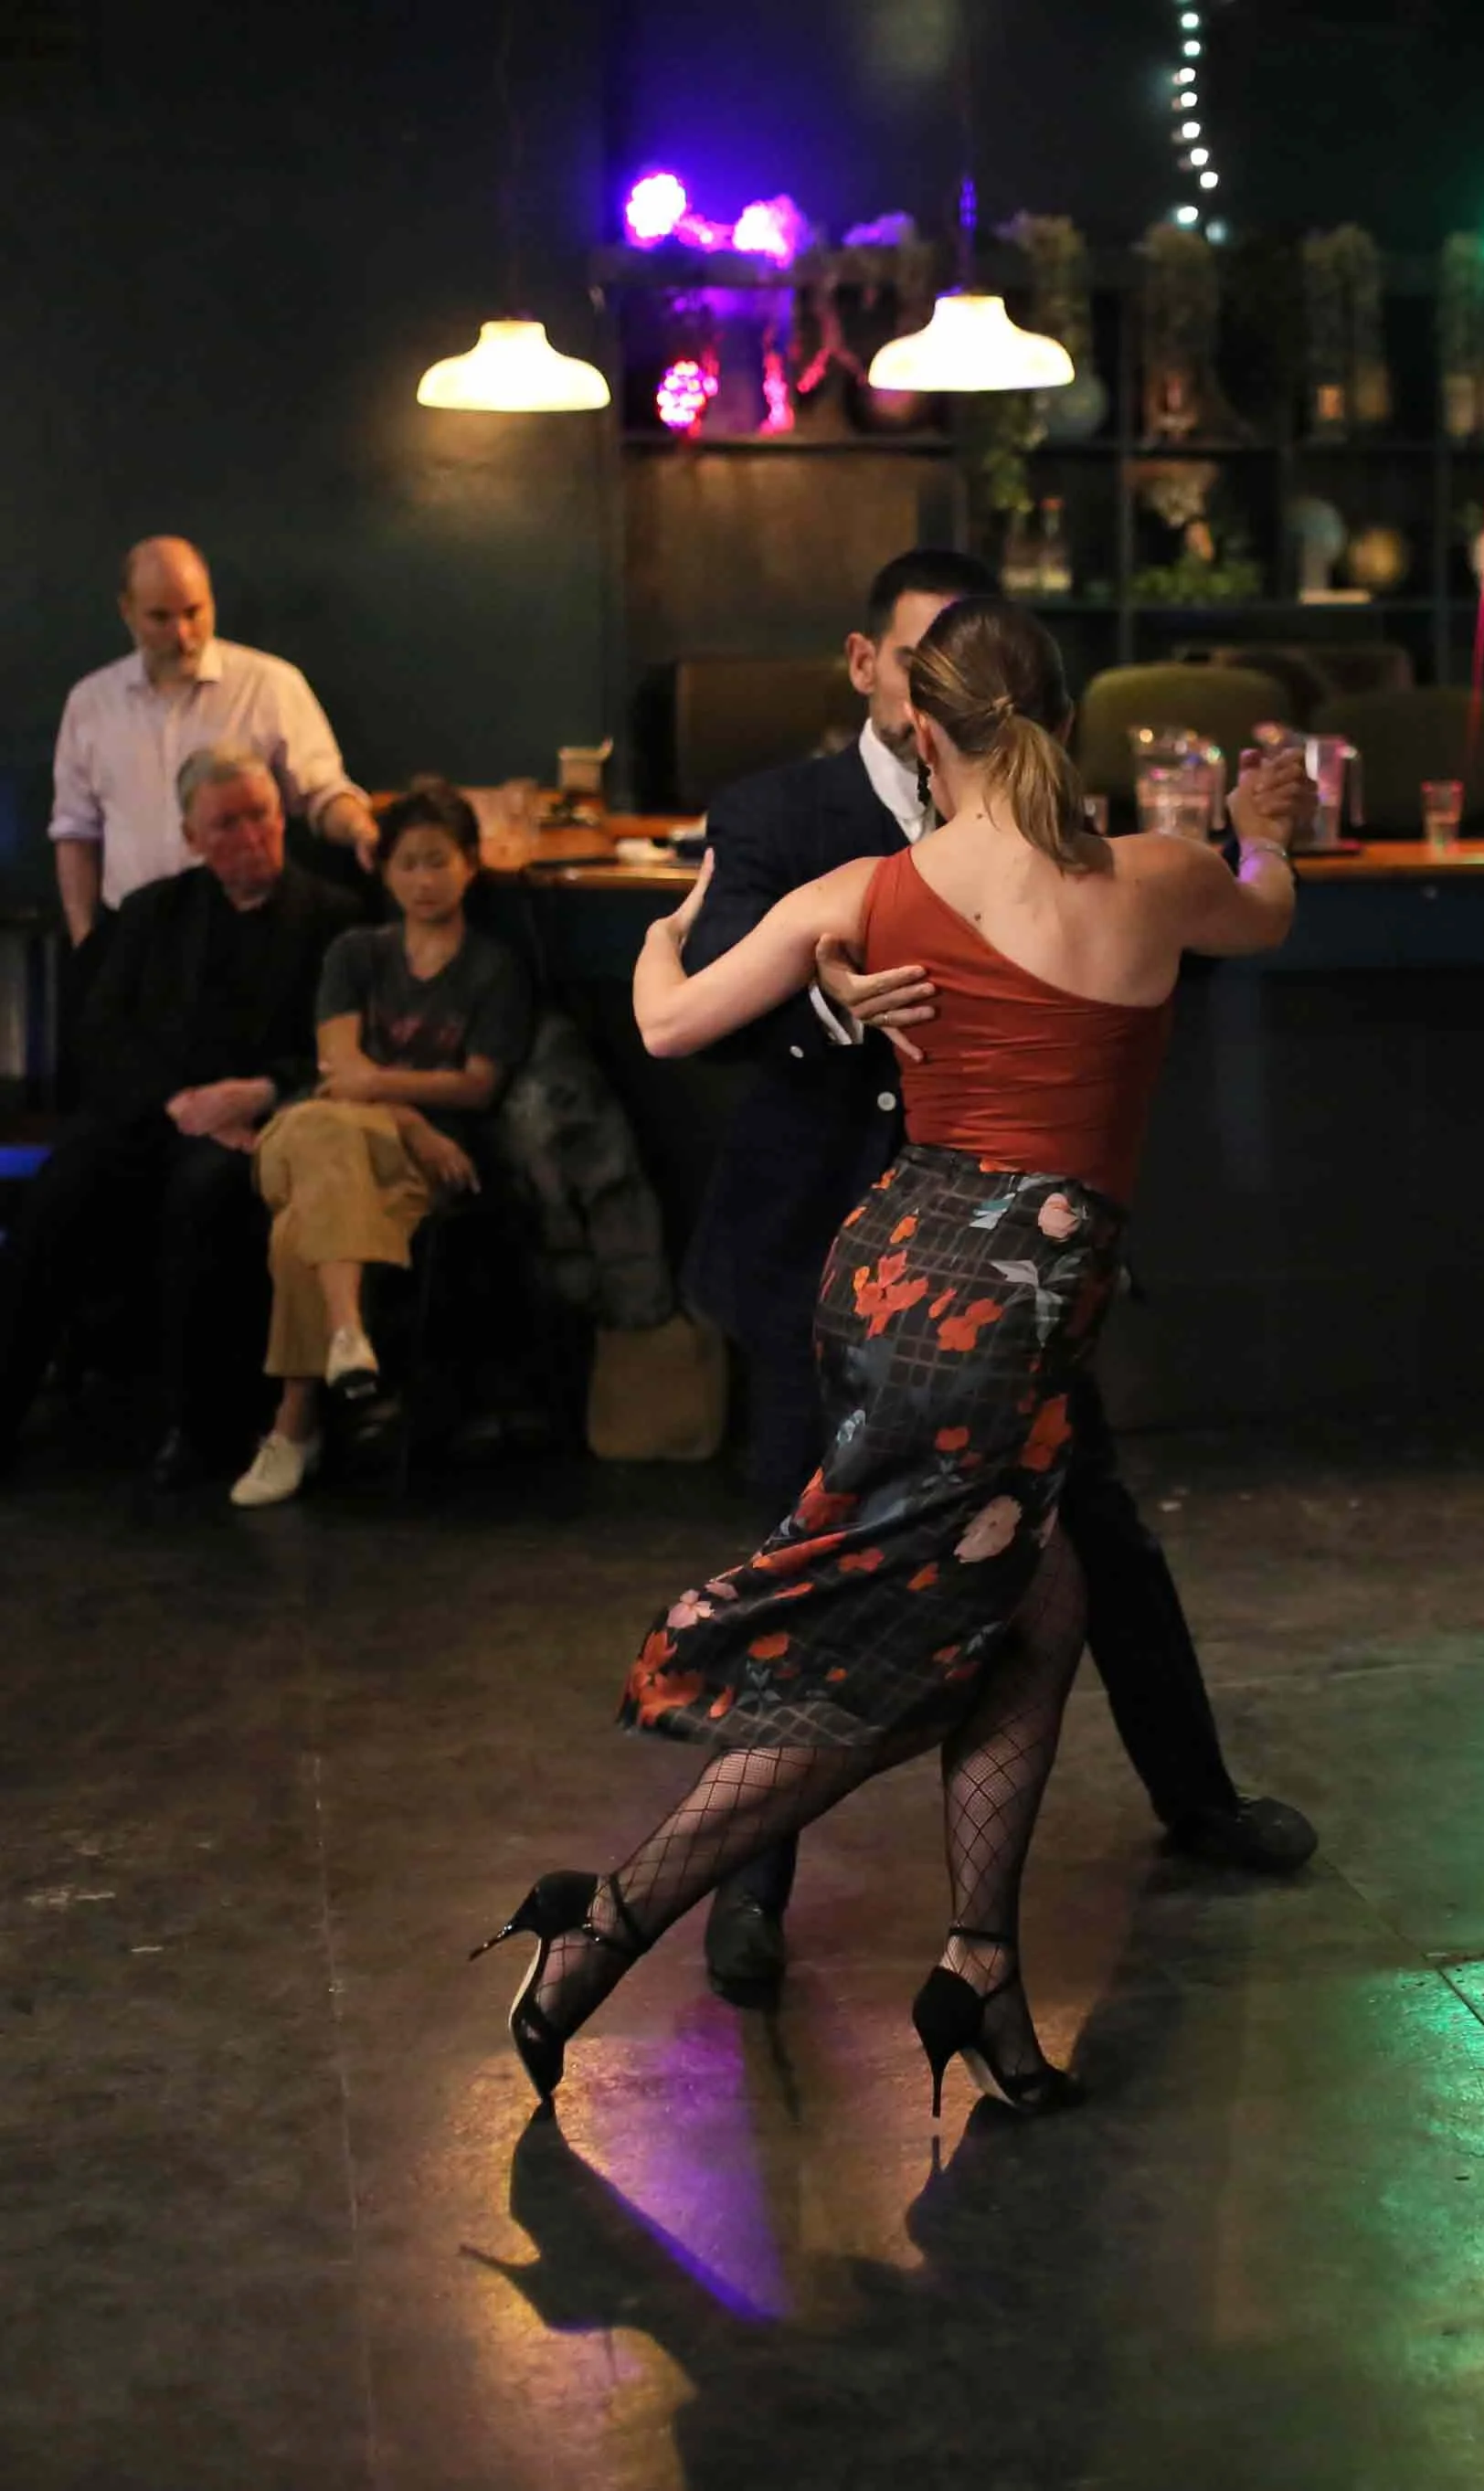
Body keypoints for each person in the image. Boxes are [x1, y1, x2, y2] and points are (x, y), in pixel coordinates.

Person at [476, 598, 1306, 2120]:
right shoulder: (1159, 877)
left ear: (921, 729)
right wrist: (1264, 824)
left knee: (1039, 1606)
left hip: (895, 1285)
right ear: (1060, 712)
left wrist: (674, 925)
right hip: (1014, 1313)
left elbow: (664, 1023)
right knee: (894, 1663)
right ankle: (603, 1922)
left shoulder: (865, 889)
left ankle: (979, 1959)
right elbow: (1268, 905)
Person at [681, 548, 1315, 2004]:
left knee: (1094, 1552)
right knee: (814, 1557)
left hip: (1011, 1291)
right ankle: (742, 1889)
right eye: (923, 658)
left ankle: (1192, 1801)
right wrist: (830, 993)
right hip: (831, 1260)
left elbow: (1142, 955)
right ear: (876, 674)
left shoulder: (1055, 817)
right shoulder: (786, 815)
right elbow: (714, 987)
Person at [0, 745, 360, 1483]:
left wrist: (259, 1093)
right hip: (158, 1110)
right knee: (59, 1188)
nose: (250, 836)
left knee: (203, 1196)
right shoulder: (153, 912)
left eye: (261, 816)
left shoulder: (334, 921)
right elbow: (104, 1034)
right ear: (193, 838)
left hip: (268, 1118)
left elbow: (342, 1050)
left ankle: (202, 1432)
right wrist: (178, 1104)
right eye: (226, 824)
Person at [230, 784, 534, 1507]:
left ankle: (293, 1426)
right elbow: (342, 1076)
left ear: (469, 865)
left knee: (301, 1222)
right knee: (322, 1126)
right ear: (384, 872)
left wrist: (381, 1095)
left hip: (395, 1170)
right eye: (407, 865)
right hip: (377, 1140)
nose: (423, 881)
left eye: (438, 862)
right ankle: (343, 1332)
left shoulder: (493, 968)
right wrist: (413, 1120)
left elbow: (479, 1087)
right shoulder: (355, 953)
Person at [48, 535, 379, 969]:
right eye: (160, 618)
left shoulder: (270, 686)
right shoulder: (90, 703)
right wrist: (85, 942)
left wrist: (360, 830)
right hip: (132, 936)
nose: (182, 635)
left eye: (194, 613)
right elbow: (75, 833)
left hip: (248, 931)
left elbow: (322, 792)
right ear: (126, 611)